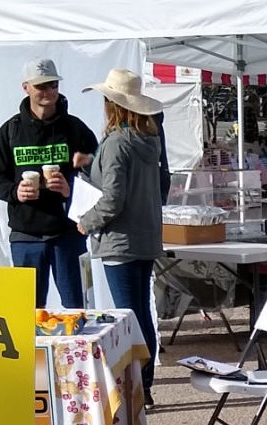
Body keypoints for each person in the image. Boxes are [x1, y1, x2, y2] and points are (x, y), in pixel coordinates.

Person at [76, 69, 163, 400]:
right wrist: (90, 164)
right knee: (140, 314)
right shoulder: (148, 140)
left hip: (119, 240)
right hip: (144, 237)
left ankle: (137, 388)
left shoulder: (116, 143)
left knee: (128, 317)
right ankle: (146, 383)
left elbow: (112, 198)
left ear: (112, 104)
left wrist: (88, 221)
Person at [0, 58, 97, 308]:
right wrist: (16, 192)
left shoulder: (74, 128)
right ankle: (33, 349)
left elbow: (101, 172)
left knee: (77, 308)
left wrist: (71, 190)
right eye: (41, 86)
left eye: (53, 85)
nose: (48, 91)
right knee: (29, 312)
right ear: (26, 87)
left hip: (68, 233)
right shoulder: (10, 130)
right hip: (25, 235)